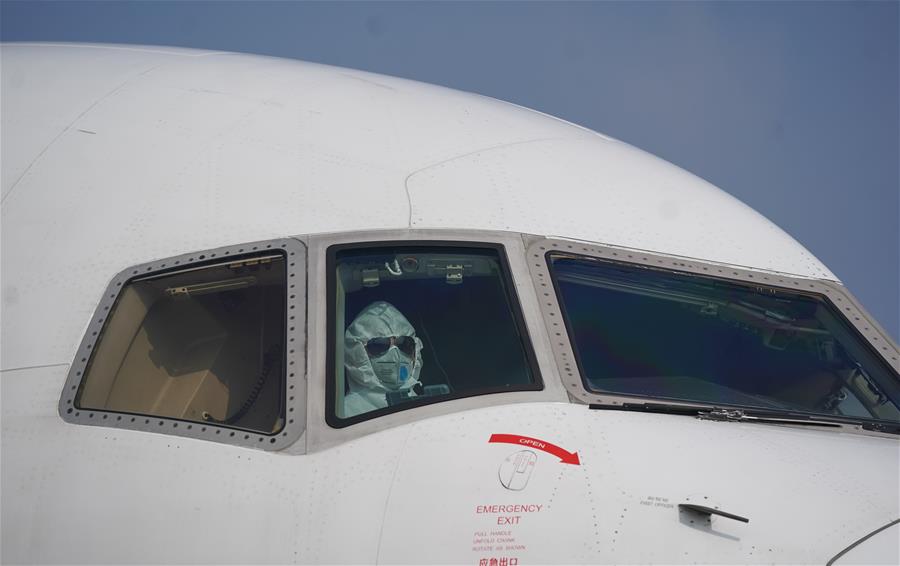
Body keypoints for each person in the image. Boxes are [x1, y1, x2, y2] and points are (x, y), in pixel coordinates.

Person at [343, 301, 424, 417]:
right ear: (356, 352)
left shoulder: (427, 406)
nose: (395, 355)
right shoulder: (345, 414)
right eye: (379, 345)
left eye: (403, 344)